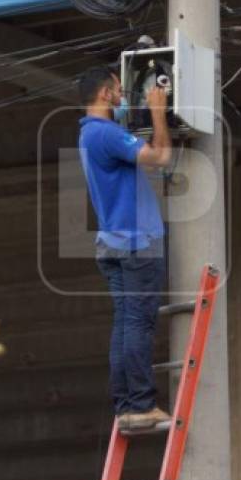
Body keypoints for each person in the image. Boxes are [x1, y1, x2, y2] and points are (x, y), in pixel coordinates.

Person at [77, 65, 172, 430]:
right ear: (104, 93)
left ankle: (126, 405)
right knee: (138, 321)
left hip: (112, 244)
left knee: (123, 322)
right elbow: (162, 157)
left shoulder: (90, 134)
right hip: (137, 243)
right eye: (118, 90)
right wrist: (159, 113)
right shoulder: (106, 133)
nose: (122, 96)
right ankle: (142, 404)